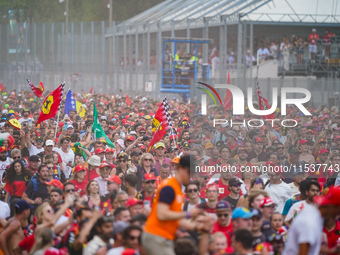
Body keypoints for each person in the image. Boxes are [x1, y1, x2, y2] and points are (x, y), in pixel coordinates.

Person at [143, 155, 203, 255]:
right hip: (156, 235)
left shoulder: (178, 189)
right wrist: (188, 214)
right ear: (181, 168)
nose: (191, 176)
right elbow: (162, 214)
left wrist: (198, 227)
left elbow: (177, 220)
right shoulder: (169, 187)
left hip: (164, 237)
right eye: (190, 172)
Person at [282, 186, 340, 255]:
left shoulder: (313, 213)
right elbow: (303, 251)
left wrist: (331, 251)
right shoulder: (310, 222)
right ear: (333, 207)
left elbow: (310, 248)